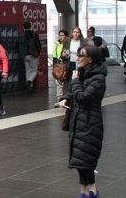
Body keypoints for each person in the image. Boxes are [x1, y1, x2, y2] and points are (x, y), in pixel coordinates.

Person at [59, 45, 107, 198]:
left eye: (82, 56)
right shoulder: (82, 73)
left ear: (91, 59)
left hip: (89, 124)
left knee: (85, 162)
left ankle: (88, 193)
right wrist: (65, 97)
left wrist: (74, 81)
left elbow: (83, 97)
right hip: (78, 122)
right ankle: (89, 192)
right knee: (82, 163)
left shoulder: (98, 78)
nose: (78, 58)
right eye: (78, 55)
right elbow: (74, 93)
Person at [16, 21, 41, 93]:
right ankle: (29, 81)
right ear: (30, 27)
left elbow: (16, 47)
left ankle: (30, 87)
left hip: (24, 56)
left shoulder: (20, 36)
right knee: (34, 70)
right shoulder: (34, 35)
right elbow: (38, 45)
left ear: (23, 27)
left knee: (28, 71)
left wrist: (21, 54)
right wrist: (38, 53)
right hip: (33, 55)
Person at [51, 29, 69, 107]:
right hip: (59, 66)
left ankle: (68, 100)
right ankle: (60, 101)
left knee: (68, 84)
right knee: (58, 83)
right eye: (60, 35)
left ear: (66, 36)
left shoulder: (68, 44)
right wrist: (55, 66)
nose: (61, 37)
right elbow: (54, 55)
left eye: (62, 35)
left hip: (67, 66)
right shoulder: (57, 43)